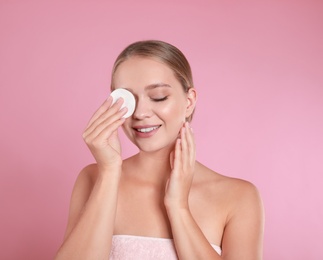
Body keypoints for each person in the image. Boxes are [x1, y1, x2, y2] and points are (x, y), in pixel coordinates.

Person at [55, 40, 264, 260]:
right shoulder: (93, 178)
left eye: (158, 97)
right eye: (129, 99)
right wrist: (109, 172)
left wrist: (178, 207)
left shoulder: (238, 197)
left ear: (189, 101)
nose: (141, 113)